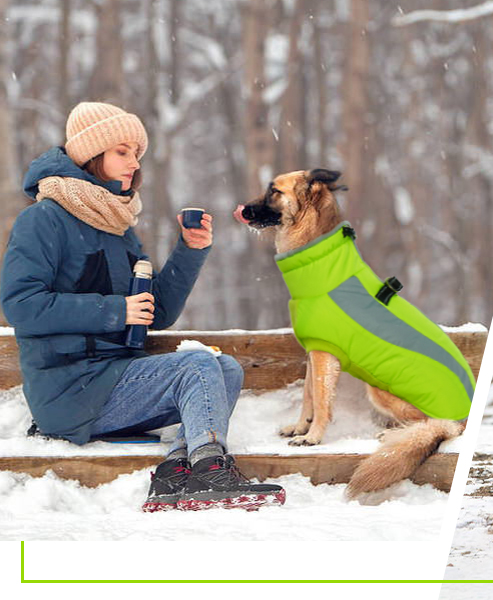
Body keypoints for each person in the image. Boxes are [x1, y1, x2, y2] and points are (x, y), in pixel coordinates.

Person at [0, 101, 284, 511]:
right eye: (122, 151)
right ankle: (209, 468)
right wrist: (116, 310)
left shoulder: (117, 226)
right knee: (197, 365)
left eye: (136, 153)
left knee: (224, 367)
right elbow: (22, 305)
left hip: (114, 377)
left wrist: (189, 251)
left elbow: (158, 314)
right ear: (90, 154)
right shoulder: (43, 220)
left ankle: (177, 473)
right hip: (69, 388)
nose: (133, 162)